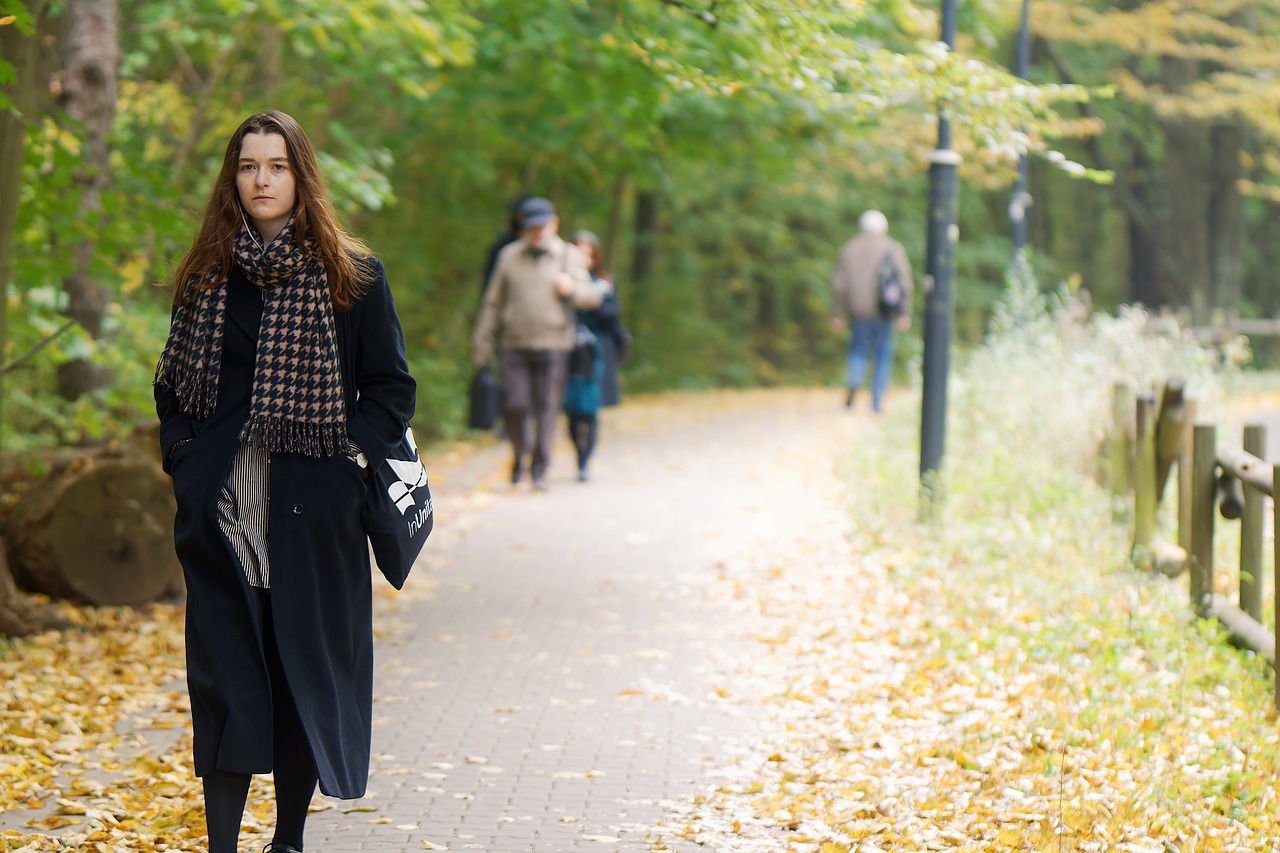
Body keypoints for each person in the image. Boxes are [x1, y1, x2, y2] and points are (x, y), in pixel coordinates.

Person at [154, 110, 416, 853]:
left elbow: (391, 389)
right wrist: (184, 458)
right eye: (247, 166)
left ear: (300, 176)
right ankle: (223, 845)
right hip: (222, 515)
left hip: (313, 517)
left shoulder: (352, 276)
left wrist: (343, 457)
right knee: (226, 680)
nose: (261, 179)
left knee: (304, 677)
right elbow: (172, 386)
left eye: (276, 165)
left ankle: (289, 839)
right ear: (231, 179)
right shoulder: (207, 276)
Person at [472, 197, 601, 491]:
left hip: (555, 344)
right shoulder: (509, 256)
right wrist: (482, 343)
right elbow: (492, 302)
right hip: (514, 344)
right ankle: (521, 454)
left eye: (542, 227)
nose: (537, 233)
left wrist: (572, 289)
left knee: (547, 408)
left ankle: (540, 469)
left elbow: (592, 296)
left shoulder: (570, 255)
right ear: (523, 228)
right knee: (516, 405)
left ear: (554, 223)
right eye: (531, 228)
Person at [829, 209, 914, 413]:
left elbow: (839, 285)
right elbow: (904, 283)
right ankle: (876, 402)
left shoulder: (850, 248)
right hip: (883, 312)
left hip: (858, 312)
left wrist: (836, 313)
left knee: (858, 350)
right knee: (883, 354)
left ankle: (855, 379)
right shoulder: (892, 249)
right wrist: (904, 312)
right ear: (884, 228)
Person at [563, 230, 629, 481]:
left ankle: (584, 462)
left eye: (588, 253)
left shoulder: (605, 281)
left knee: (591, 409)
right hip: (569, 349)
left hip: (596, 351)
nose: (583, 257)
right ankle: (578, 452)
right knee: (571, 408)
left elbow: (613, 315)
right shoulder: (564, 282)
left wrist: (596, 298)